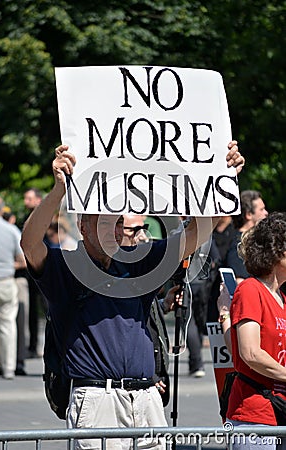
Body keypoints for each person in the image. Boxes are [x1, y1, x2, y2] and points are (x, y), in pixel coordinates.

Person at [20, 141, 244, 449]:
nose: (114, 230)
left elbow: (197, 234)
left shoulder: (139, 262)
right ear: (84, 226)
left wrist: (218, 178)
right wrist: (59, 189)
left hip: (147, 399)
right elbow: (30, 244)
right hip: (98, 398)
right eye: (105, 221)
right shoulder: (66, 267)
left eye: (118, 223)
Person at [226, 212, 286, 449]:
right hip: (255, 416)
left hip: (278, 412)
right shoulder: (250, 290)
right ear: (277, 251)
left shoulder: (281, 297)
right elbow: (250, 353)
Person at [122, 213, 180, 406]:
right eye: (134, 230)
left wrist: (162, 305)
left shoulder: (139, 265)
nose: (143, 236)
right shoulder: (114, 273)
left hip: (149, 383)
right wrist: (149, 377)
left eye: (143, 228)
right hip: (136, 382)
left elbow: (141, 313)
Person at [0, 195, 26, 379]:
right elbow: (23, 260)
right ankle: (9, 368)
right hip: (6, 281)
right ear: (2, 210)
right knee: (8, 326)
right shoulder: (11, 230)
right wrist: (9, 265)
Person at [226, 190, 268, 284]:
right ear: (248, 214)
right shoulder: (239, 243)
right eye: (261, 209)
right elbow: (239, 280)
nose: (266, 213)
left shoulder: (257, 240)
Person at [23, 188, 45, 358]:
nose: (26, 202)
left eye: (29, 198)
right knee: (31, 310)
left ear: (38, 200)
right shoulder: (26, 219)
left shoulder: (48, 217)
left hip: (46, 268)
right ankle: (32, 345)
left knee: (49, 308)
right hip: (31, 270)